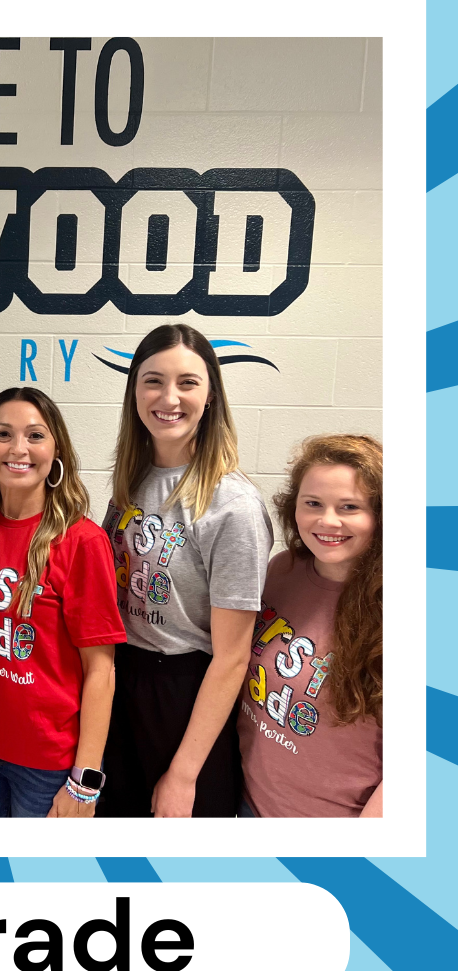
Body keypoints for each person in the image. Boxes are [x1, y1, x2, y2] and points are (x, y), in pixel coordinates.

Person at [99, 324, 273, 818]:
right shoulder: (131, 479)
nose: (168, 397)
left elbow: (233, 658)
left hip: (184, 694)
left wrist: (183, 772)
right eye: (153, 380)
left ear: (211, 394)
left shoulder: (232, 506)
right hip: (123, 679)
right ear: (134, 391)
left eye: (187, 383)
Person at [0, 387, 124, 817]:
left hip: (47, 767)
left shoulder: (82, 542)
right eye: (3, 434)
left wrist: (84, 783)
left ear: (55, 449)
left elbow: (101, 670)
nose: (19, 449)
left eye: (35, 435)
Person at [237, 435, 382, 817]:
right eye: (313, 503)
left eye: (349, 507)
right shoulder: (281, 569)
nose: (327, 521)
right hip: (248, 804)